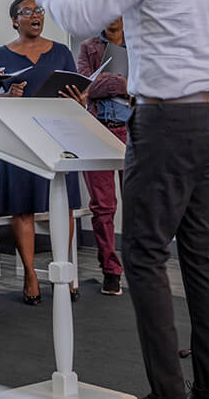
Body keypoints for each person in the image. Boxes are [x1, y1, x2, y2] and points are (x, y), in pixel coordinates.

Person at [27, 0, 209, 399]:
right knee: (202, 255)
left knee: (145, 253)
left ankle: (168, 392)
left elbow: (83, 18)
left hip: (170, 121)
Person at [0, 0, 85, 305]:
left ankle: (64, 270)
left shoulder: (61, 52)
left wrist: (80, 102)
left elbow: (77, 93)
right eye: (26, 11)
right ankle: (30, 274)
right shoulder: (0, 55)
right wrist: (8, 96)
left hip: (57, 137)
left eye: (38, 10)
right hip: (19, 139)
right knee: (23, 208)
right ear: (15, 20)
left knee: (64, 205)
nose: (35, 15)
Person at [76, 17, 128, 296]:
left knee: (141, 203)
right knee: (103, 207)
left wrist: (103, 81)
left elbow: (150, 84)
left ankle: (141, 265)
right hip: (96, 131)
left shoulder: (141, 43)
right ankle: (111, 270)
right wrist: (122, 83)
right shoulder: (89, 46)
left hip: (135, 132)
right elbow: (84, 88)